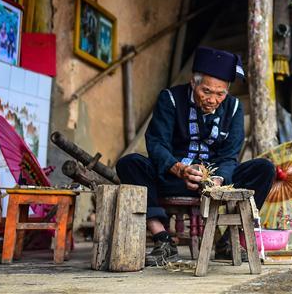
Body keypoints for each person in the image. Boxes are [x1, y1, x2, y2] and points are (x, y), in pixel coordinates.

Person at [117, 47, 276, 265]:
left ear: (227, 91)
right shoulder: (171, 99)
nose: (212, 99)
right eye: (206, 91)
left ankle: (231, 242)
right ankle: (163, 239)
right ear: (194, 83)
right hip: (174, 178)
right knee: (130, 164)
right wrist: (179, 169)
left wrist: (217, 180)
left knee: (264, 168)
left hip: (216, 183)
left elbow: (229, 156)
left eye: (220, 94)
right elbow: (156, 144)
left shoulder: (234, 108)